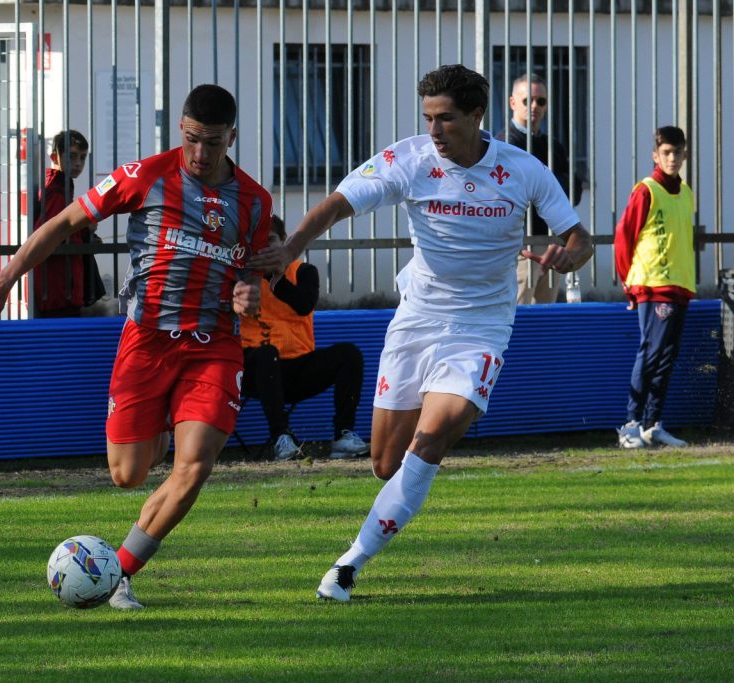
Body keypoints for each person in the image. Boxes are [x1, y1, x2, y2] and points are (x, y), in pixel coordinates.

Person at [251, 64, 592, 602]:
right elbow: (340, 202)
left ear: (478, 116)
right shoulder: (408, 159)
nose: (434, 130)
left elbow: (579, 238)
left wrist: (569, 257)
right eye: (428, 118)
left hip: (482, 327)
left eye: (446, 119)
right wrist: (292, 247)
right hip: (416, 320)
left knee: (433, 436)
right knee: (386, 463)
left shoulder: (523, 169)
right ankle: (372, 530)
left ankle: (347, 565)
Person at [0, 84, 272, 609]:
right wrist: (4, 279)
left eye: (214, 143)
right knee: (128, 474)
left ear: (232, 138)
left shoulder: (254, 201)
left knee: (194, 466)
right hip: (147, 342)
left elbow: (252, 273)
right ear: (181, 130)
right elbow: (63, 223)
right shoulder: (144, 176)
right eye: (193, 139)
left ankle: (119, 574)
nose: (201, 154)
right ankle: (157, 430)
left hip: (214, 346)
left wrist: (251, 294)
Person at [239, 216, 369, 461]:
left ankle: (343, 434)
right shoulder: (241, 275)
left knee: (349, 353)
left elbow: (303, 305)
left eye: (271, 240)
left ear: (284, 241)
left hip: (298, 367)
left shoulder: (304, 271)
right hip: (256, 369)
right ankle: (281, 438)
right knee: (267, 354)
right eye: (259, 243)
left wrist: (273, 277)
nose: (265, 247)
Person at [613, 126, 695, 449]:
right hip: (652, 285)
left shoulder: (685, 193)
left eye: (678, 152)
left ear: (685, 154)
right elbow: (624, 237)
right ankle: (630, 424)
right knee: (650, 354)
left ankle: (652, 424)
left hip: (680, 286)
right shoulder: (646, 190)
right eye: (666, 153)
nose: (672, 158)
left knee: (666, 358)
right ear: (656, 155)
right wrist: (628, 284)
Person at [495, 73, 584, 304]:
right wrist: (549, 188)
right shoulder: (504, 144)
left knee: (546, 316)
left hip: (552, 240)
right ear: (513, 102)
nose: (534, 106)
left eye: (541, 101)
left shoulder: (553, 145)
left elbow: (573, 191)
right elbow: (510, 195)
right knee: (517, 313)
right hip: (520, 244)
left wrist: (543, 190)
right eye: (528, 100)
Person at [31, 130, 105, 317]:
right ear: (54, 156)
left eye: (82, 157)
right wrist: (83, 227)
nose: (78, 163)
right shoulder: (56, 191)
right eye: (71, 156)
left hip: (60, 288)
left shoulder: (60, 188)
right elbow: (48, 233)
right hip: (60, 289)